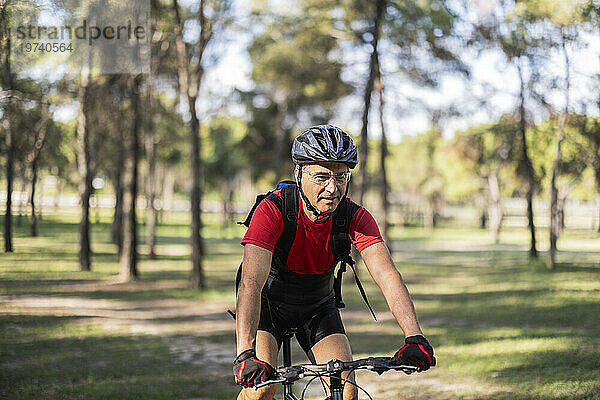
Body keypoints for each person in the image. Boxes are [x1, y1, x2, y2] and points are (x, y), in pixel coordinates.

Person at [233, 124, 435, 400]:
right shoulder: (273, 211)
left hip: (318, 307)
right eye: (322, 176)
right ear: (299, 174)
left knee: (347, 391)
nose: (332, 187)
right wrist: (245, 352)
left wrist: (414, 336)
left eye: (341, 177)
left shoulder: (353, 216)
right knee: (262, 389)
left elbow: (387, 275)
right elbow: (251, 282)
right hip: (270, 307)